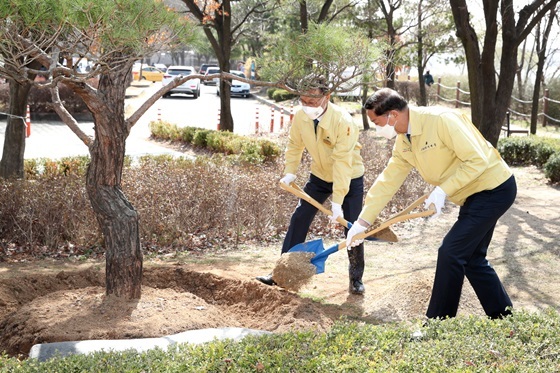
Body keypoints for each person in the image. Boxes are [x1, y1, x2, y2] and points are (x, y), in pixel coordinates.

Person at [346, 88, 516, 318]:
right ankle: (503, 316)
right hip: (473, 194)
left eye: (377, 122)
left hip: (493, 187)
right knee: (472, 258)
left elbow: (478, 160)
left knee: (451, 252)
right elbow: (388, 180)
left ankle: (438, 322)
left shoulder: (441, 121)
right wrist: (362, 222)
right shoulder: (403, 141)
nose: (376, 127)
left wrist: (443, 190)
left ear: (393, 115)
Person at [256, 76, 367, 294]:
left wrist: (337, 202)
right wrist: (290, 172)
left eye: (312, 101)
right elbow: (295, 145)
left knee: (352, 228)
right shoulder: (301, 116)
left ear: (327, 97)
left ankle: (356, 279)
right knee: (300, 217)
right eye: (303, 100)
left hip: (349, 178)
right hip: (319, 176)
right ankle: (282, 272)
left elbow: (343, 163)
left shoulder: (343, 121)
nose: (307, 106)